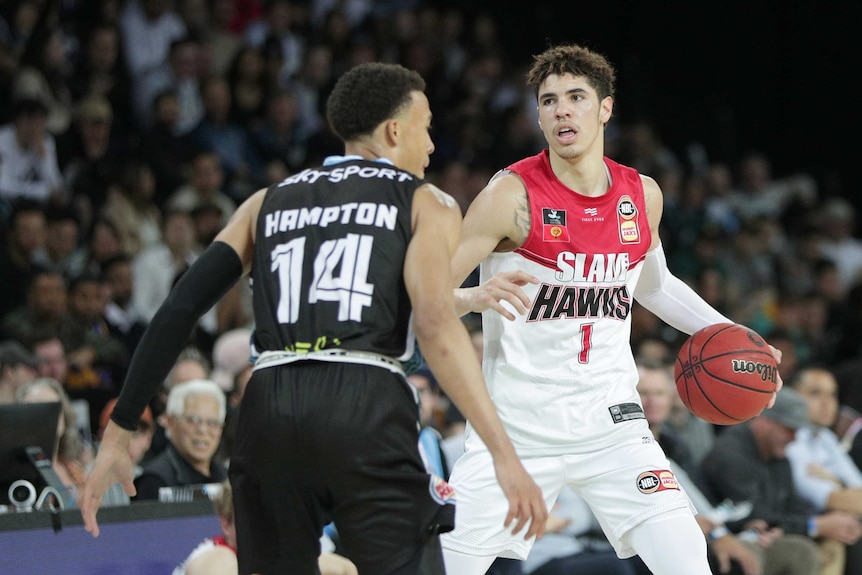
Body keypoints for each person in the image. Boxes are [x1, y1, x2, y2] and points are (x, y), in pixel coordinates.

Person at [81, 62, 546, 574]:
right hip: (363, 402)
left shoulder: (265, 202)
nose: (432, 145)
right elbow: (431, 322)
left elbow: (180, 307)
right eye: (426, 126)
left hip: (268, 406)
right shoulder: (426, 201)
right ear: (395, 130)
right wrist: (503, 453)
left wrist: (120, 429)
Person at [440, 43, 781, 575]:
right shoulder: (510, 195)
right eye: (549, 101)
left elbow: (657, 286)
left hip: (612, 423)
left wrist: (744, 344)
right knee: (444, 566)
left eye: (576, 97)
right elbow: (426, 292)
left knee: (687, 558)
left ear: (605, 108)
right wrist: (471, 297)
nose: (562, 110)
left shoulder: (641, 195)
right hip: (519, 426)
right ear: (538, 115)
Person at [701, 388, 861, 575]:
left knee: (844, 538)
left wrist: (812, 523)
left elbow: (792, 504)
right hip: (726, 538)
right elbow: (752, 512)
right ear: (764, 422)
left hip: (766, 535)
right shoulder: (730, 455)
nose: (794, 438)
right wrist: (814, 525)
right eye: (789, 429)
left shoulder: (777, 454)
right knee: (798, 552)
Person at [133, 379, 228, 500]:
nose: (203, 430)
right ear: (171, 423)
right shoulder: (154, 482)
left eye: (212, 422)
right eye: (193, 420)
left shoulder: (228, 479)